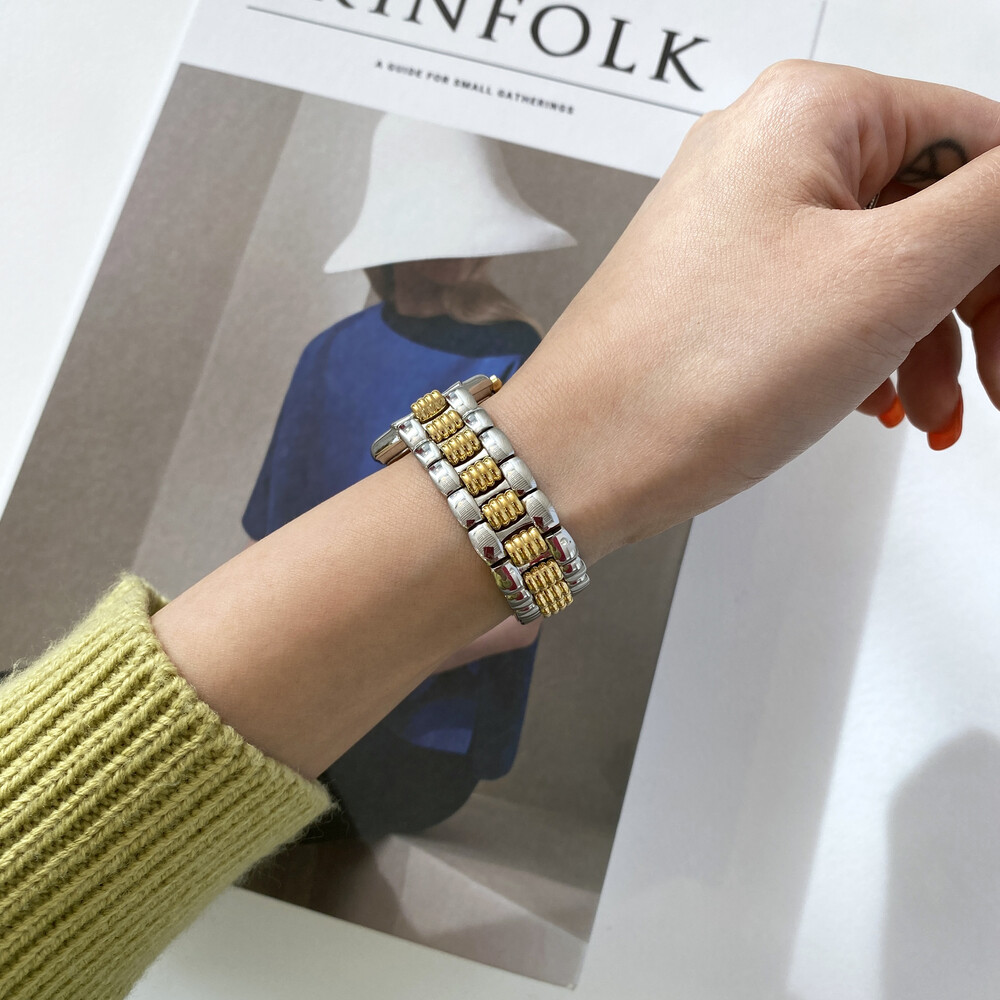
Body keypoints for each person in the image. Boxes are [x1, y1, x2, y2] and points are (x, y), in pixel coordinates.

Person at [3, 60, 1000, 1000]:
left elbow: (493, 614)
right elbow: (274, 530)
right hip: (306, 731)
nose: (467, 253)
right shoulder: (333, 354)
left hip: (413, 752)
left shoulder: (513, 349)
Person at [241, 114, 576, 838]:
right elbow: (271, 556)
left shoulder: (511, 360)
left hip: (422, 735)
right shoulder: (328, 356)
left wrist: (360, 670)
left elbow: (527, 602)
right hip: (307, 705)